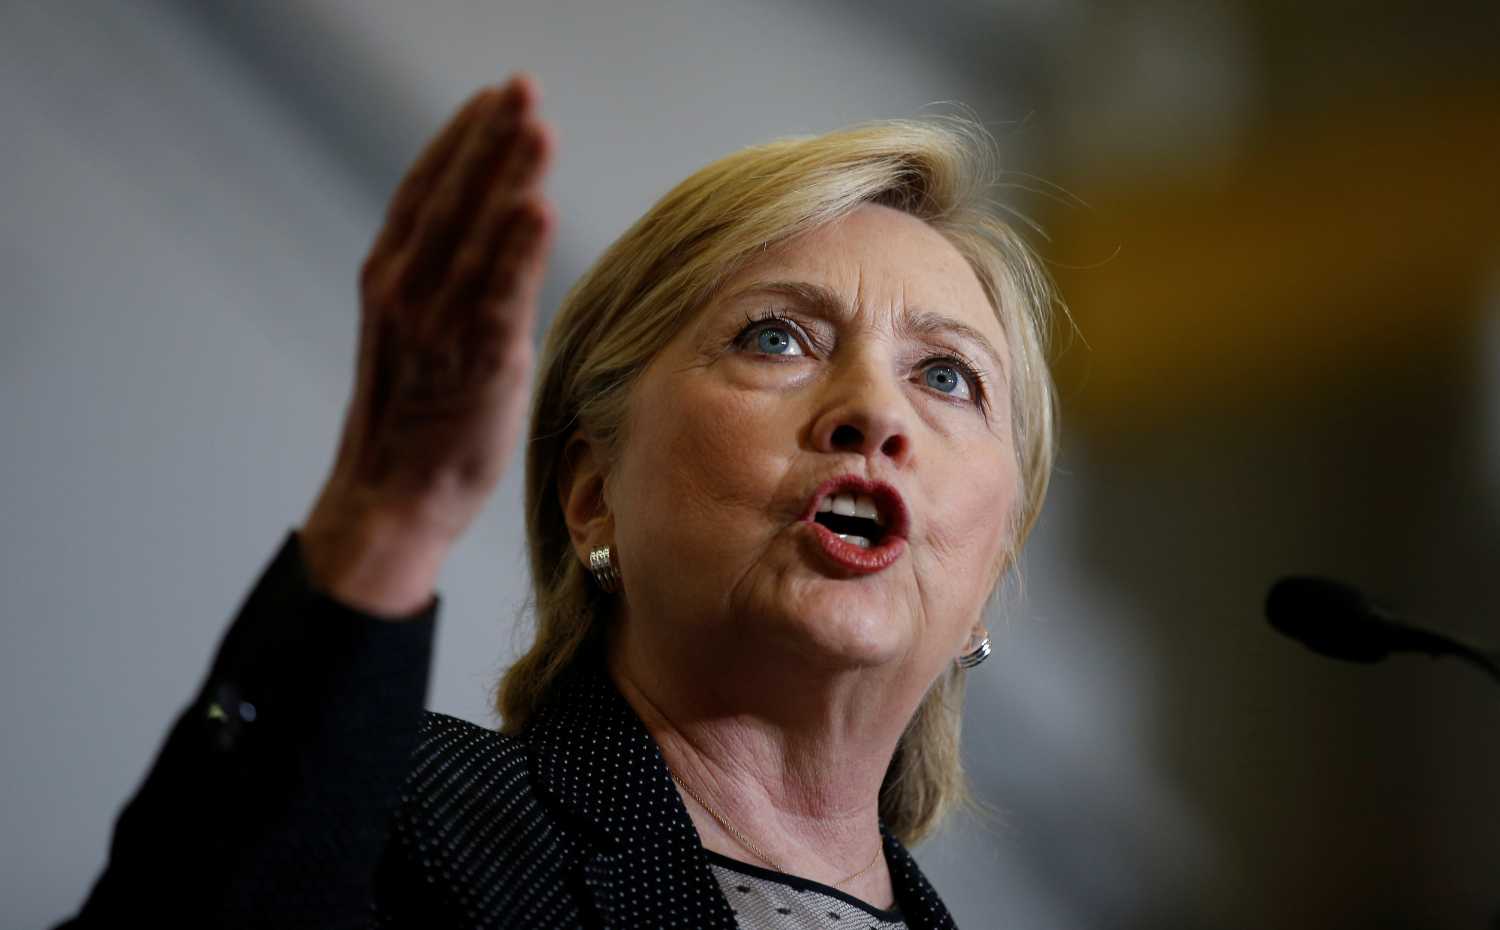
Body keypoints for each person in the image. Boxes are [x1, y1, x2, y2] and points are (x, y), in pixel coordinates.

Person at [56, 71, 1058, 929]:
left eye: (945, 376)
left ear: (989, 574)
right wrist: (386, 517)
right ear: (591, 497)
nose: (875, 413)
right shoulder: (387, 823)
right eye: (777, 338)